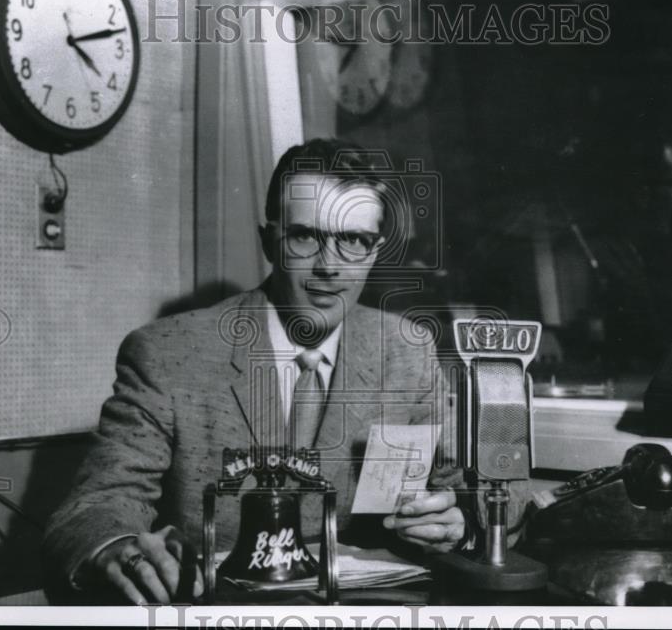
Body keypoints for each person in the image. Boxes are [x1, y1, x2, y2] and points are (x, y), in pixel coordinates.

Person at [43, 138, 470, 605]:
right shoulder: (167, 354)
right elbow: (95, 507)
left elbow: (465, 496)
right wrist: (118, 550)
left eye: (353, 240)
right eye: (305, 236)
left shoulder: (407, 349)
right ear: (269, 241)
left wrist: (455, 524)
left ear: (374, 250)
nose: (330, 266)